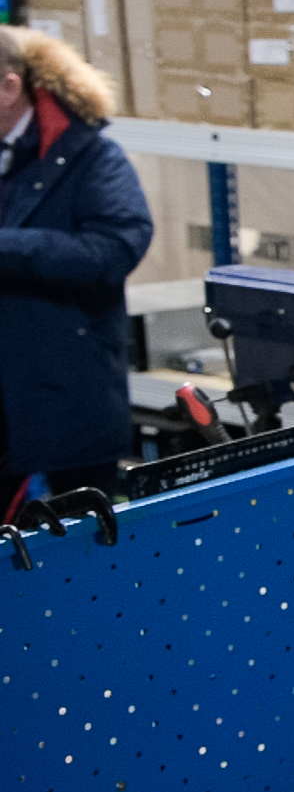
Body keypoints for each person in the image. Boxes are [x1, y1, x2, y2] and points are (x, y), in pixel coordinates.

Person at [0, 26, 152, 518]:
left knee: (78, 548)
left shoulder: (91, 157)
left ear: (9, 87)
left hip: (62, 400)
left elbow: (114, 249)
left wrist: (7, 247)